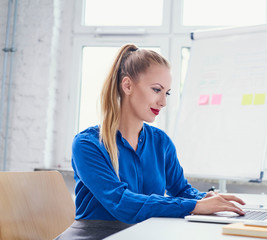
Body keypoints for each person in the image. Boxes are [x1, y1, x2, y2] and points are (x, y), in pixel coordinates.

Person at [55, 44, 245, 240]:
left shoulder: (160, 142)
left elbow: (180, 190)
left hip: (143, 233)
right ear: (127, 85)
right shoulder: (88, 144)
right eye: (156, 90)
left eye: (167, 93)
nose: (163, 101)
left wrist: (207, 199)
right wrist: (195, 206)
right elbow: (121, 202)